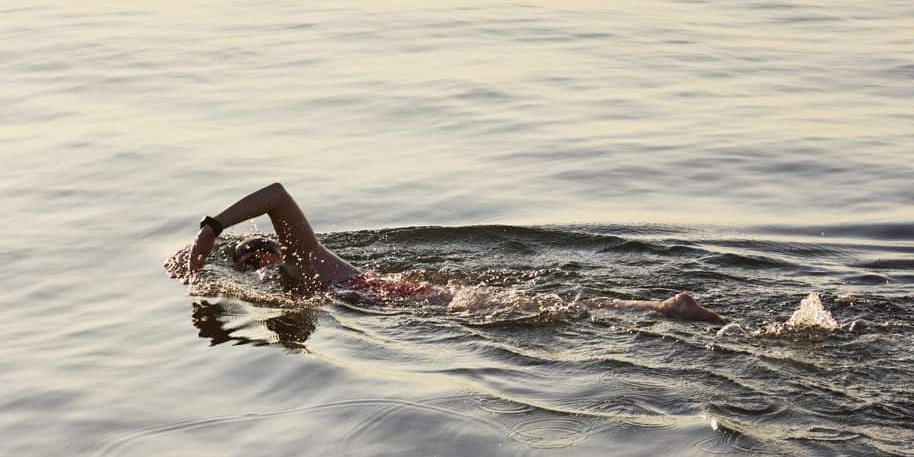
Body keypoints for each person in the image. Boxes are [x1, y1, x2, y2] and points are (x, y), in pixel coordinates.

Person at [177, 182, 729, 323]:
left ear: (273, 247)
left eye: (258, 253)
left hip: (404, 298)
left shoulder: (306, 255)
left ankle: (665, 310)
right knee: (542, 310)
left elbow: (275, 193)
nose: (257, 265)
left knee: (547, 313)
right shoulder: (290, 285)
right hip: (402, 306)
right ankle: (660, 311)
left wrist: (212, 228)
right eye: (249, 263)